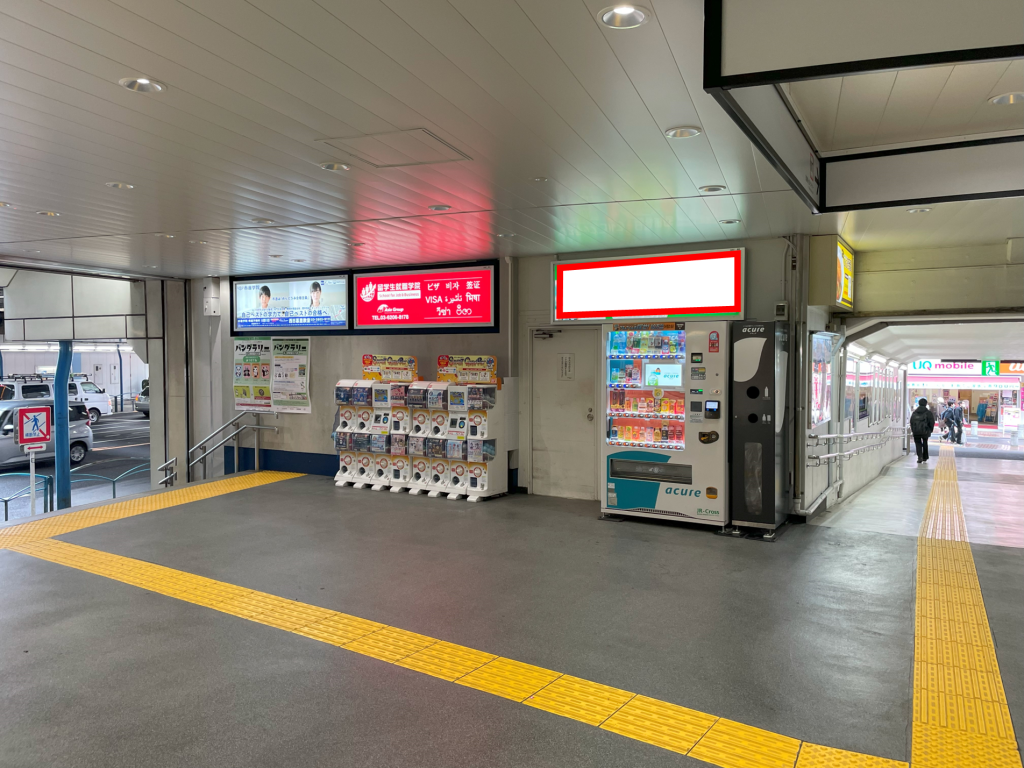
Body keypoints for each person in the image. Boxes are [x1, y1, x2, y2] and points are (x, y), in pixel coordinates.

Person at [910, 398, 936, 463]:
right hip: (925, 431)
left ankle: (920, 457)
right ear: (926, 404)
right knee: (925, 442)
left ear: (919, 403)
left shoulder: (915, 412)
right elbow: (932, 422)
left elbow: (911, 422)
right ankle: (925, 457)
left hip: (916, 431)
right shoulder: (928, 413)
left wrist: (913, 430)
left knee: (918, 443)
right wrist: (930, 430)